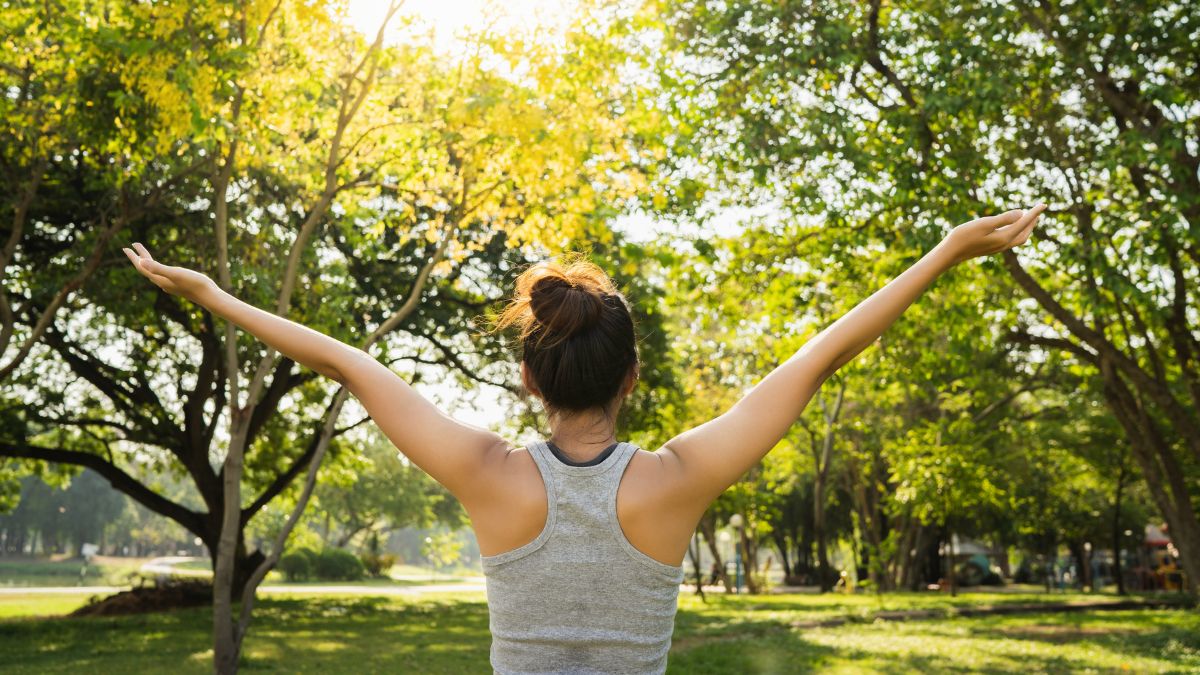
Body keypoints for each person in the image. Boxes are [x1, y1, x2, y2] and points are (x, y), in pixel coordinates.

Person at [122, 203, 1045, 674]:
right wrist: (946, 250)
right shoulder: (677, 480)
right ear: (632, 379)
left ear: (529, 378)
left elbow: (352, 365)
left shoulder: (487, 475)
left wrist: (214, 296)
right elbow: (819, 358)